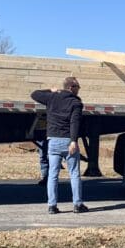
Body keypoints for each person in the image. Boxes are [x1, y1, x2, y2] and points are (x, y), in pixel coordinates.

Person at [31, 76, 87, 214]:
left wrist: (50, 90)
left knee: (52, 175)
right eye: (78, 87)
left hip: (53, 141)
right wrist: (74, 140)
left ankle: (52, 206)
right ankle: (78, 204)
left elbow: (34, 94)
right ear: (71, 87)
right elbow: (75, 123)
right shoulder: (76, 103)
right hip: (68, 141)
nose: (79, 89)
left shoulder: (52, 98)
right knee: (74, 173)